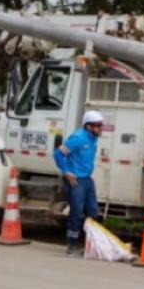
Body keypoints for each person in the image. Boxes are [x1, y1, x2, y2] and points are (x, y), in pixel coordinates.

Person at [54, 110, 104, 257]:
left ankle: (92, 244)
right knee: (76, 212)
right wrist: (66, 172)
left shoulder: (93, 137)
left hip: (87, 180)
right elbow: (58, 154)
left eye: (101, 126)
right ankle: (72, 245)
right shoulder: (78, 138)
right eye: (98, 126)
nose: (101, 129)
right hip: (76, 180)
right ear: (88, 126)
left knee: (93, 212)